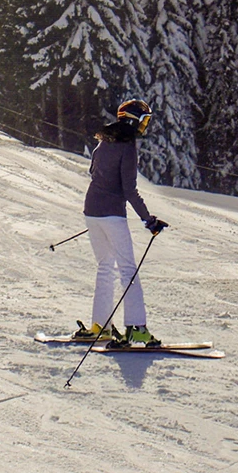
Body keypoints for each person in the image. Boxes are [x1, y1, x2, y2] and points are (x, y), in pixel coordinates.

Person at [74, 99, 168, 347]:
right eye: (144, 120)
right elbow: (130, 190)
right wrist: (149, 221)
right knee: (128, 270)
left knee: (105, 266)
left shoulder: (103, 140)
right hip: (112, 215)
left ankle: (101, 326)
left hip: (92, 211)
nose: (145, 126)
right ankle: (136, 328)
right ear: (134, 120)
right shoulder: (128, 146)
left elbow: (94, 173)